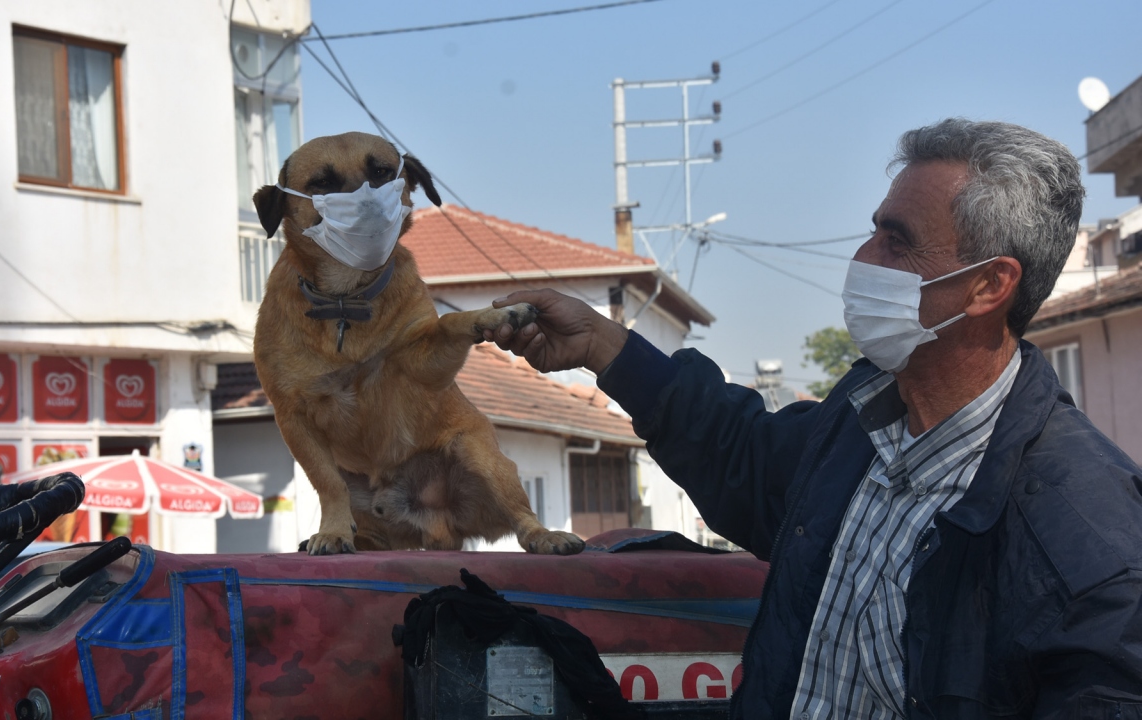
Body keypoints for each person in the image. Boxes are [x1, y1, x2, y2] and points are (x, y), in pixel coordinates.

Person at [484, 118, 1142, 719]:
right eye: (874, 230)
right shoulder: (864, 420)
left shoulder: (1085, 543)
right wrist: (603, 345)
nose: (863, 259)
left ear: (989, 286)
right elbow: (741, 454)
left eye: (898, 242)